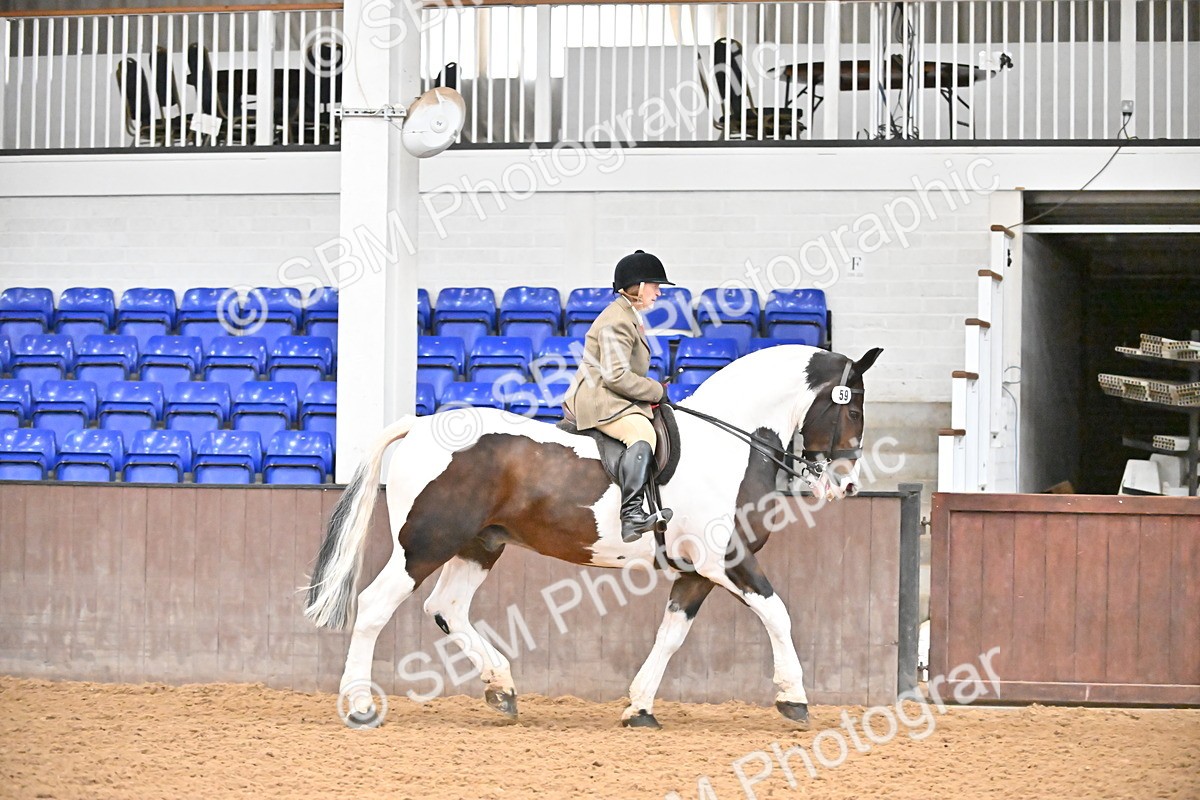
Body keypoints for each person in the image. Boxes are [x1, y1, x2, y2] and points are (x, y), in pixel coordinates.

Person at [564, 250, 674, 543]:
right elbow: (616, 377)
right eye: (654, 285)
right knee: (642, 435)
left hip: (611, 393)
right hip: (600, 397)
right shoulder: (617, 320)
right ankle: (632, 514)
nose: (659, 292)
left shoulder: (627, 315)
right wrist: (656, 390)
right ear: (637, 286)